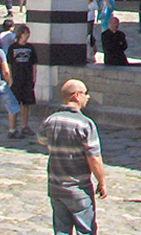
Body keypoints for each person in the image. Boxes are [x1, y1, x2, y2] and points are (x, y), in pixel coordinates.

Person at [38, 79, 107, 235]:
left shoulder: (51, 120)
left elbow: (41, 139)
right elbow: (94, 157)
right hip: (78, 188)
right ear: (76, 96)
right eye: (85, 93)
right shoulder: (85, 124)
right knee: (86, 230)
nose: (88, 97)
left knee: (61, 230)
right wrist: (101, 181)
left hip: (56, 186)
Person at [8, 25, 39, 133]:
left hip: (27, 78)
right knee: (14, 103)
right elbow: (9, 64)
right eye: (25, 33)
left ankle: (24, 126)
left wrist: (34, 78)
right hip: (16, 79)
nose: (27, 36)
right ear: (20, 34)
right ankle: (12, 128)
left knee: (26, 104)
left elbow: (34, 64)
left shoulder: (30, 48)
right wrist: (9, 79)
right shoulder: (13, 48)